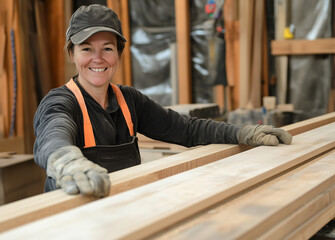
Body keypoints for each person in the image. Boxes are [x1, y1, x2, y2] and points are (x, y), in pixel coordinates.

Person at [33, 4, 292, 198]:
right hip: (72, 223)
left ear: (119, 54)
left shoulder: (128, 100)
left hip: (122, 214)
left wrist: (244, 132)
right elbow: (53, 135)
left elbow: (185, 129)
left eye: (107, 48)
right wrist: (66, 161)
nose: (97, 58)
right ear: (72, 53)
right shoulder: (60, 103)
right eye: (87, 48)